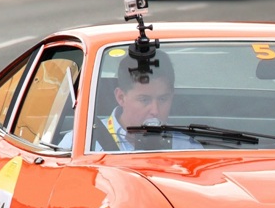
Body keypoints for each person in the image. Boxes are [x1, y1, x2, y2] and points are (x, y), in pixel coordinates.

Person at [60, 50, 198, 151]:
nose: (155, 111)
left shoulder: (188, 146)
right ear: (121, 97)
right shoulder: (78, 143)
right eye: (144, 100)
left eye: (163, 99)